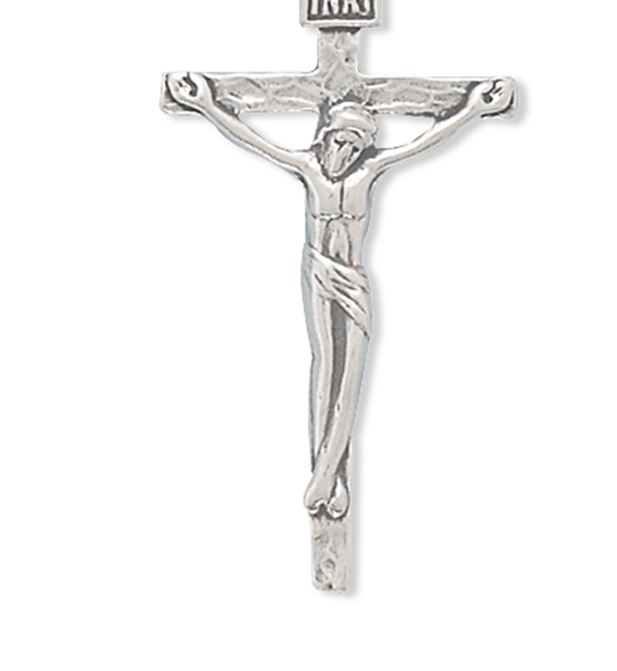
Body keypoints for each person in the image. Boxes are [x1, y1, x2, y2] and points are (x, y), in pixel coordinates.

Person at [166, 72, 512, 518]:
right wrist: (208, 106)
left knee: (351, 374)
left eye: (355, 145)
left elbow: (423, 143)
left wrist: (473, 110)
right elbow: (253, 140)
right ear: (327, 135)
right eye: (341, 141)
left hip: (352, 280)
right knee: (325, 366)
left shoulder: (368, 172)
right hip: (318, 272)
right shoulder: (309, 170)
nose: (346, 152)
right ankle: (328, 476)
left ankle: (328, 476)